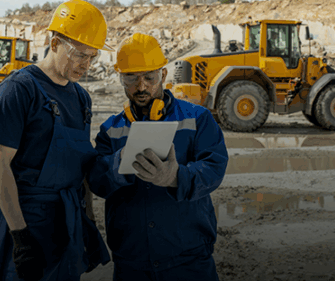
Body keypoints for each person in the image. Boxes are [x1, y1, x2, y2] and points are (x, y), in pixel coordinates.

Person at [0, 0, 111, 281]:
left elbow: (81, 167)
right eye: (80, 55)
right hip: (28, 223)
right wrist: (20, 237)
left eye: (93, 56)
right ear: (54, 44)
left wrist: (88, 220)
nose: (87, 65)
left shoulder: (81, 98)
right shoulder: (18, 90)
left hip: (68, 224)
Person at [87, 33, 229, 280]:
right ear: (121, 78)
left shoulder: (197, 118)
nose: (141, 86)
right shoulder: (110, 129)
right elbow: (97, 181)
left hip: (189, 259)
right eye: (131, 77)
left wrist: (176, 177)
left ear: (163, 75)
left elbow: (214, 168)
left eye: (149, 77)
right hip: (132, 261)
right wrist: (118, 164)